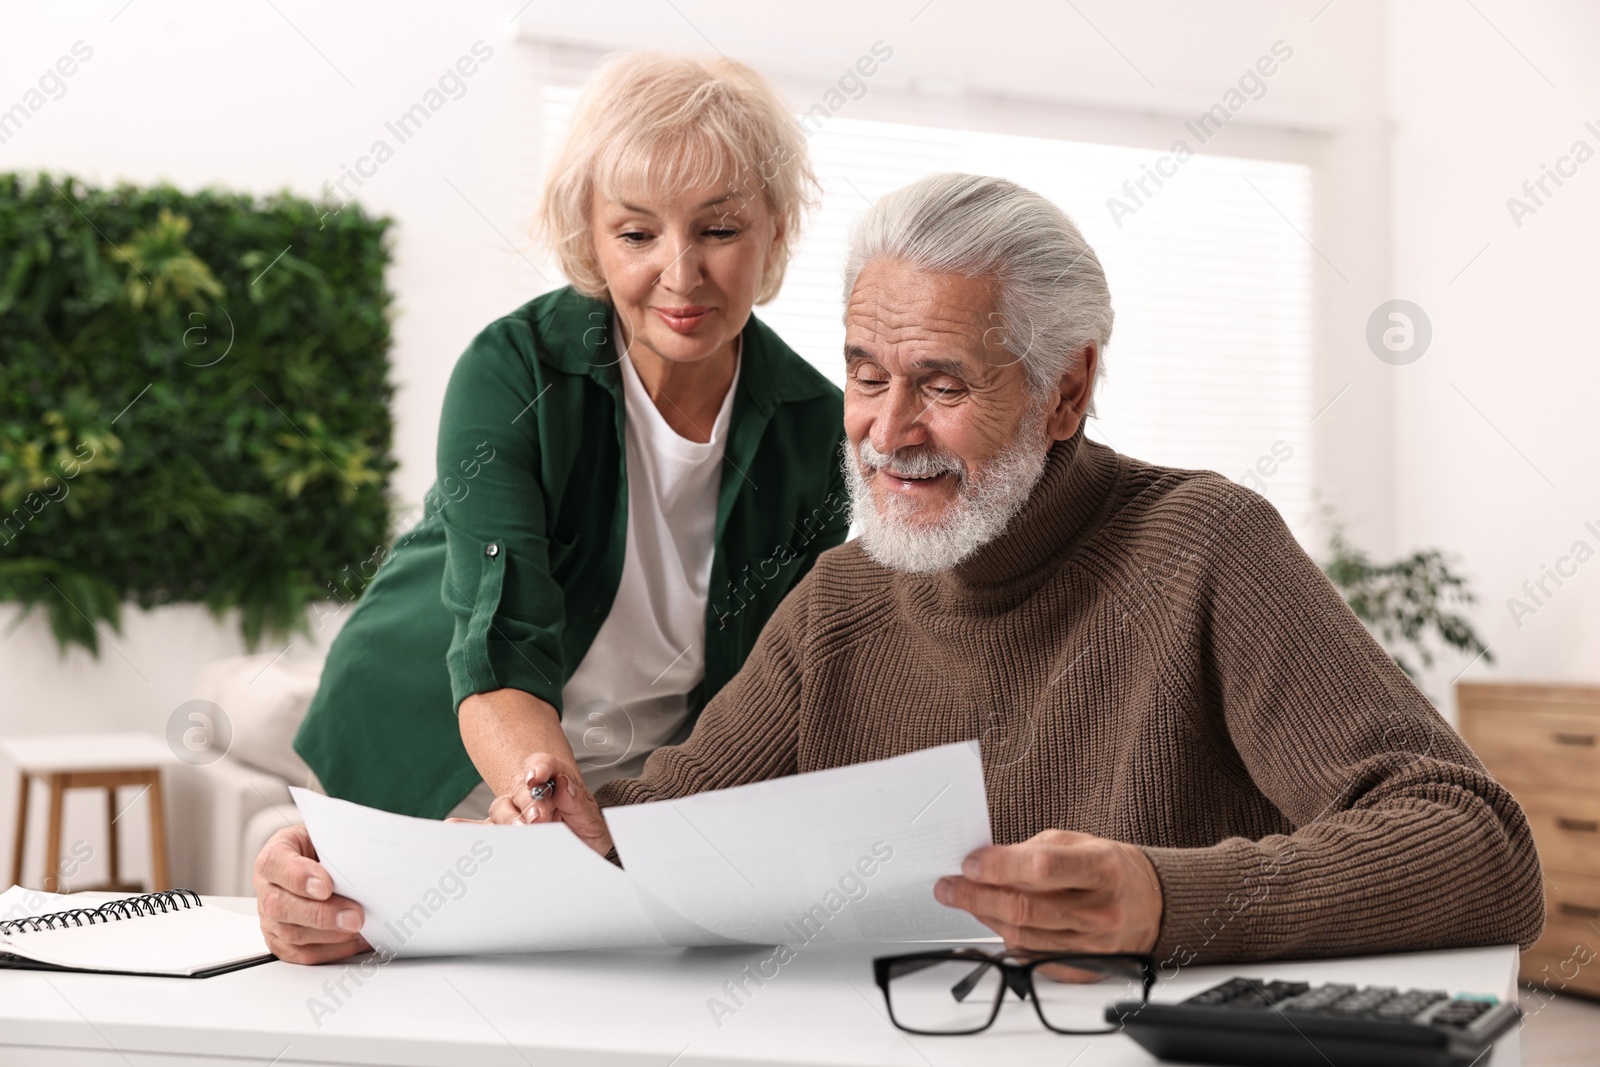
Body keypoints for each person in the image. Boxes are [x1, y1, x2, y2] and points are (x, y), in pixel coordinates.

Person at [263, 173, 1545, 969]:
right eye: (866, 377)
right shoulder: (842, 600)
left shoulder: (1205, 545)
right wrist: (367, 894)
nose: (884, 432)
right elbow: (643, 831)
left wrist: (1165, 893)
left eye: (941, 383)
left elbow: (1479, 848)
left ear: (1066, 390)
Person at [255, 53, 848, 964]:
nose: (680, 274)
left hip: (641, 796)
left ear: (775, 229)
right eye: (637, 233)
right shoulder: (513, 371)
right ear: (590, 232)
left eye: (720, 228)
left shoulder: (817, 428)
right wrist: (543, 795)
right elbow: (502, 642)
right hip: (455, 748)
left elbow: (780, 683)